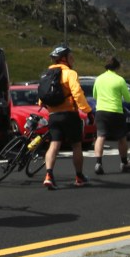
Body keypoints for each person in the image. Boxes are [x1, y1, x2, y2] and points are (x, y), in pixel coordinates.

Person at [40, 44, 92, 189]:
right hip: (69, 114)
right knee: (76, 145)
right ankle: (79, 176)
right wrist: (87, 110)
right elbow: (77, 93)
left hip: (53, 115)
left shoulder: (46, 74)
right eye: (70, 57)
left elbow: (41, 97)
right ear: (64, 59)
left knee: (54, 144)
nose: (73, 59)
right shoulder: (70, 73)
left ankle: (49, 175)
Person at [92, 56, 130, 174]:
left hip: (101, 111)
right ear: (117, 67)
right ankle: (124, 162)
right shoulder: (120, 80)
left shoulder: (98, 79)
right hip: (116, 111)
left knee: (100, 136)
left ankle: (98, 163)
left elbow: (95, 96)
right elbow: (128, 99)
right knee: (122, 138)